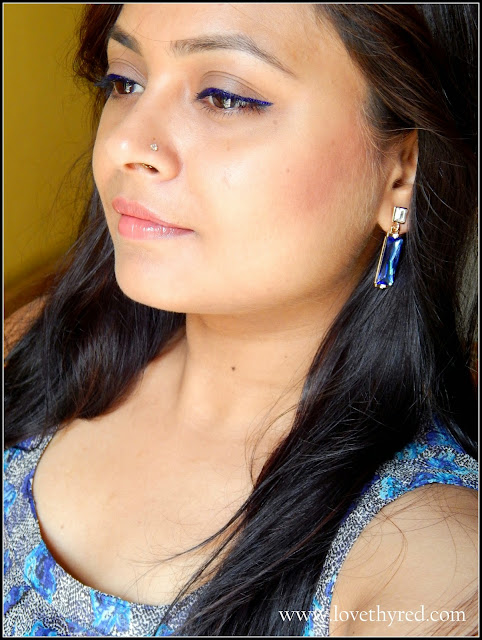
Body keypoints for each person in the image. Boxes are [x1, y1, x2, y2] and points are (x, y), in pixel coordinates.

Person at [4, 3, 478, 637]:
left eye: (225, 97)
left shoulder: (431, 570)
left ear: (402, 171)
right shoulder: (41, 344)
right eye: (125, 82)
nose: (124, 144)